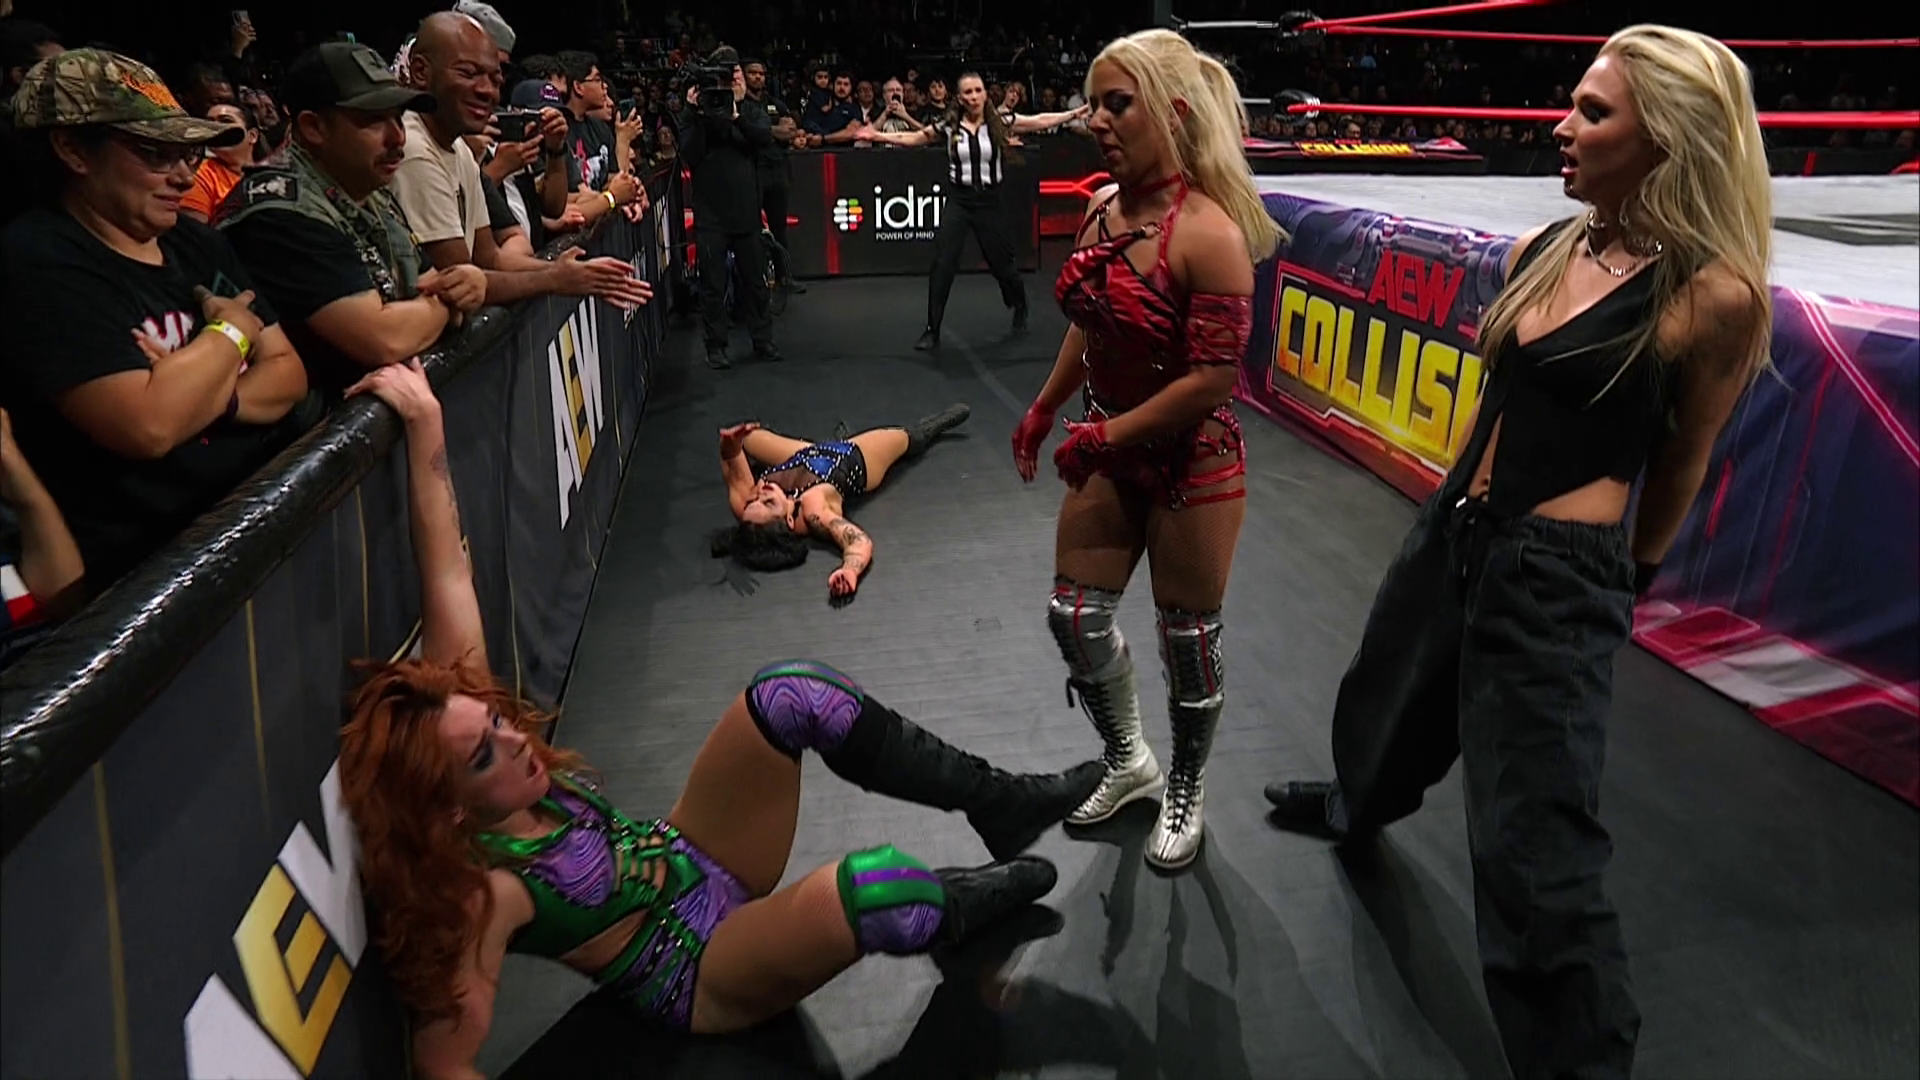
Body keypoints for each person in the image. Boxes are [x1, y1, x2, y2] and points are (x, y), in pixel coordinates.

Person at [337, 361, 1101, 1077]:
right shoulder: (477, 896)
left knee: (791, 692)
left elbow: (449, 572)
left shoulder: (481, 745)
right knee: (880, 888)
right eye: (484, 755)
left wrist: (426, 423)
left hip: (693, 850)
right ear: (446, 804)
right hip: (700, 967)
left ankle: (998, 799)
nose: (514, 738)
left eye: (496, 725)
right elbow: (443, 1065)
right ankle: (957, 906)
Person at [1263, 25, 1774, 1080]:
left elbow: (1683, 456)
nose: (1561, 126)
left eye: (1592, 111)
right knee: (1386, 697)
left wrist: (1624, 580)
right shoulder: (1553, 245)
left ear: (1667, 139)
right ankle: (1357, 803)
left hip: (1554, 574)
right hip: (1459, 526)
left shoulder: (1712, 294)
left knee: (1530, 850)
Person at [1010, 30, 1282, 872]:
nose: (1096, 120)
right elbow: (1091, 324)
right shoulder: (1100, 209)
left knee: (1187, 640)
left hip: (1192, 462)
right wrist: (1046, 406)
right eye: (1093, 103)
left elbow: (1211, 380)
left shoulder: (1211, 234)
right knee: (1075, 616)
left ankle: (1186, 786)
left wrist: (1104, 434)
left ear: (1172, 111)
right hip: (1111, 445)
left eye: (1116, 103)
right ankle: (1130, 761)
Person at [0, 49, 314, 591]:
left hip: (253, 526)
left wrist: (203, 392)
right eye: (155, 154)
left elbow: (290, 373)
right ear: (72, 150)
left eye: (186, 155)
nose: (183, 176)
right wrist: (233, 333)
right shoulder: (37, 259)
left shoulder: (196, 243)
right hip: (151, 580)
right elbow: (147, 426)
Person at [857, 74, 1087, 352]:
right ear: (960, 98)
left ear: (985, 94)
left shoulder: (999, 121)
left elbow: (1038, 121)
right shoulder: (950, 125)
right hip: (960, 201)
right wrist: (876, 135)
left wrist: (1073, 113)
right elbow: (917, 137)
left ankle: (1019, 303)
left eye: (978, 90)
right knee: (943, 262)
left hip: (989, 202)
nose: (974, 96)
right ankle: (932, 329)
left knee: (1002, 264)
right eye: (968, 92)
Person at [711, 405, 972, 600]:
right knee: (905, 437)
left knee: (748, 438)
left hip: (803, 456)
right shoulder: (814, 510)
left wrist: (730, 445)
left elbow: (731, 460)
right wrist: (850, 571)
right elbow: (857, 541)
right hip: (851, 458)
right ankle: (928, 430)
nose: (763, 490)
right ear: (789, 520)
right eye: (769, 502)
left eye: (757, 498)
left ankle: (824, 442)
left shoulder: (750, 512)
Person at [675, 46, 780, 370]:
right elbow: (689, 155)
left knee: (756, 282)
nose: (731, 80)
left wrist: (736, 116)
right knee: (712, 285)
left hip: (746, 211)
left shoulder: (751, 110)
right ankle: (716, 346)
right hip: (711, 214)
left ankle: (763, 340)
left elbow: (764, 139)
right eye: (726, 74)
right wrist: (696, 114)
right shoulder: (697, 113)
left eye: (735, 73)